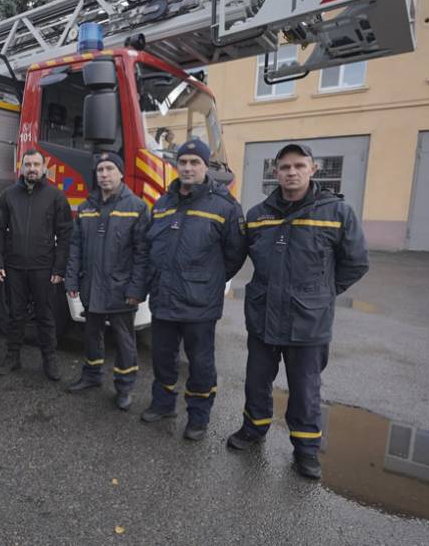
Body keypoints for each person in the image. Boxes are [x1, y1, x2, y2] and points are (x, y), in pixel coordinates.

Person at [227, 143, 369, 480]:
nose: (292, 172)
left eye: (299, 166)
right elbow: (238, 255)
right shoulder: (258, 215)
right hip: (263, 315)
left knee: (305, 389)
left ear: (313, 169)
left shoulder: (337, 213)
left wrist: (322, 293)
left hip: (308, 321)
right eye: (285, 167)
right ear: (275, 172)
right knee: (257, 380)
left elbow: (356, 262)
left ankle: (305, 450)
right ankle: (254, 428)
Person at [140, 139, 247, 441]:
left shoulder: (224, 206)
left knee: (200, 364)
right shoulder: (163, 203)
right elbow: (150, 247)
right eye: (183, 162)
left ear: (205, 166)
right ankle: (163, 405)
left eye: (194, 162)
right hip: (163, 298)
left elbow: (235, 254)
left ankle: (198, 416)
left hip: (199, 304)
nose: (188, 168)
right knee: (162, 357)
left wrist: (209, 280)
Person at [64, 153, 149, 410]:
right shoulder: (86, 207)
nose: (104, 174)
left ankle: (124, 387)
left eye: (110, 168)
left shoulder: (137, 207)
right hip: (92, 286)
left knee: (124, 340)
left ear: (121, 173)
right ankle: (92, 375)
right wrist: (71, 280)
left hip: (121, 289)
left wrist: (137, 289)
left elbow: (143, 254)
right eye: (100, 169)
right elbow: (76, 247)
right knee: (92, 335)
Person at [0, 149, 73, 380]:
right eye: (28, 165)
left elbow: (65, 234)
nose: (32, 169)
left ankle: (50, 360)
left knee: (45, 316)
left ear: (44, 168)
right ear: (22, 167)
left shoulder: (56, 196)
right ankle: (12, 357)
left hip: (43, 268)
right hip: (14, 267)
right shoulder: (8, 196)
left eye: (36, 165)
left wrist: (59, 268)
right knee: (15, 315)